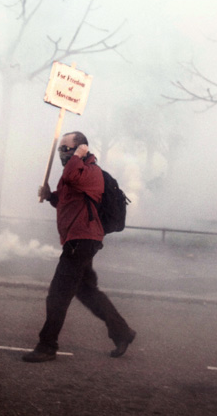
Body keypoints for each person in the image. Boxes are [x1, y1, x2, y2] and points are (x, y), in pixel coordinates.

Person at [22, 131, 136, 363]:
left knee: (58, 295)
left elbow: (73, 177)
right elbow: (69, 200)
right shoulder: (78, 172)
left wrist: (79, 155)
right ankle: (122, 333)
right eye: (60, 149)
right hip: (79, 239)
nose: (63, 153)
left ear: (81, 149)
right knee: (86, 291)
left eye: (67, 148)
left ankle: (47, 346)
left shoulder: (91, 172)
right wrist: (50, 196)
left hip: (81, 241)